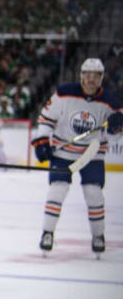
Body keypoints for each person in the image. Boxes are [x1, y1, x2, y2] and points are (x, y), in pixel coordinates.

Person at [30, 58, 122, 259]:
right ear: (81, 76)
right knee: (57, 191)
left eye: (96, 76)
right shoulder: (64, 93)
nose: (91, 79)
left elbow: (115, 134)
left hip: (92, 153)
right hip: (63, 152)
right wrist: (42, 141)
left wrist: (117, 127)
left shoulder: (112, 102)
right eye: (87, 75)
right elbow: (46, 119)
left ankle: (98, 236)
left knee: (94, 194)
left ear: (101, 78)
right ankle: (47, 233)